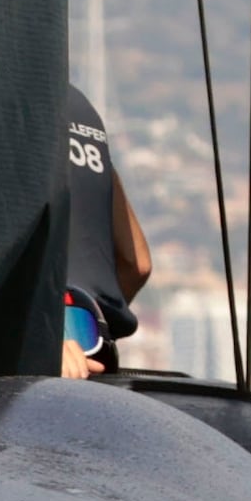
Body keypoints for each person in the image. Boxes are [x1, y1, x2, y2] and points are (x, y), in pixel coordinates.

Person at [58, 90, 155, 377]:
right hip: (94, 351)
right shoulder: (78, 106)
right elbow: (137, 263)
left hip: (41, 360)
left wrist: (43, 339)